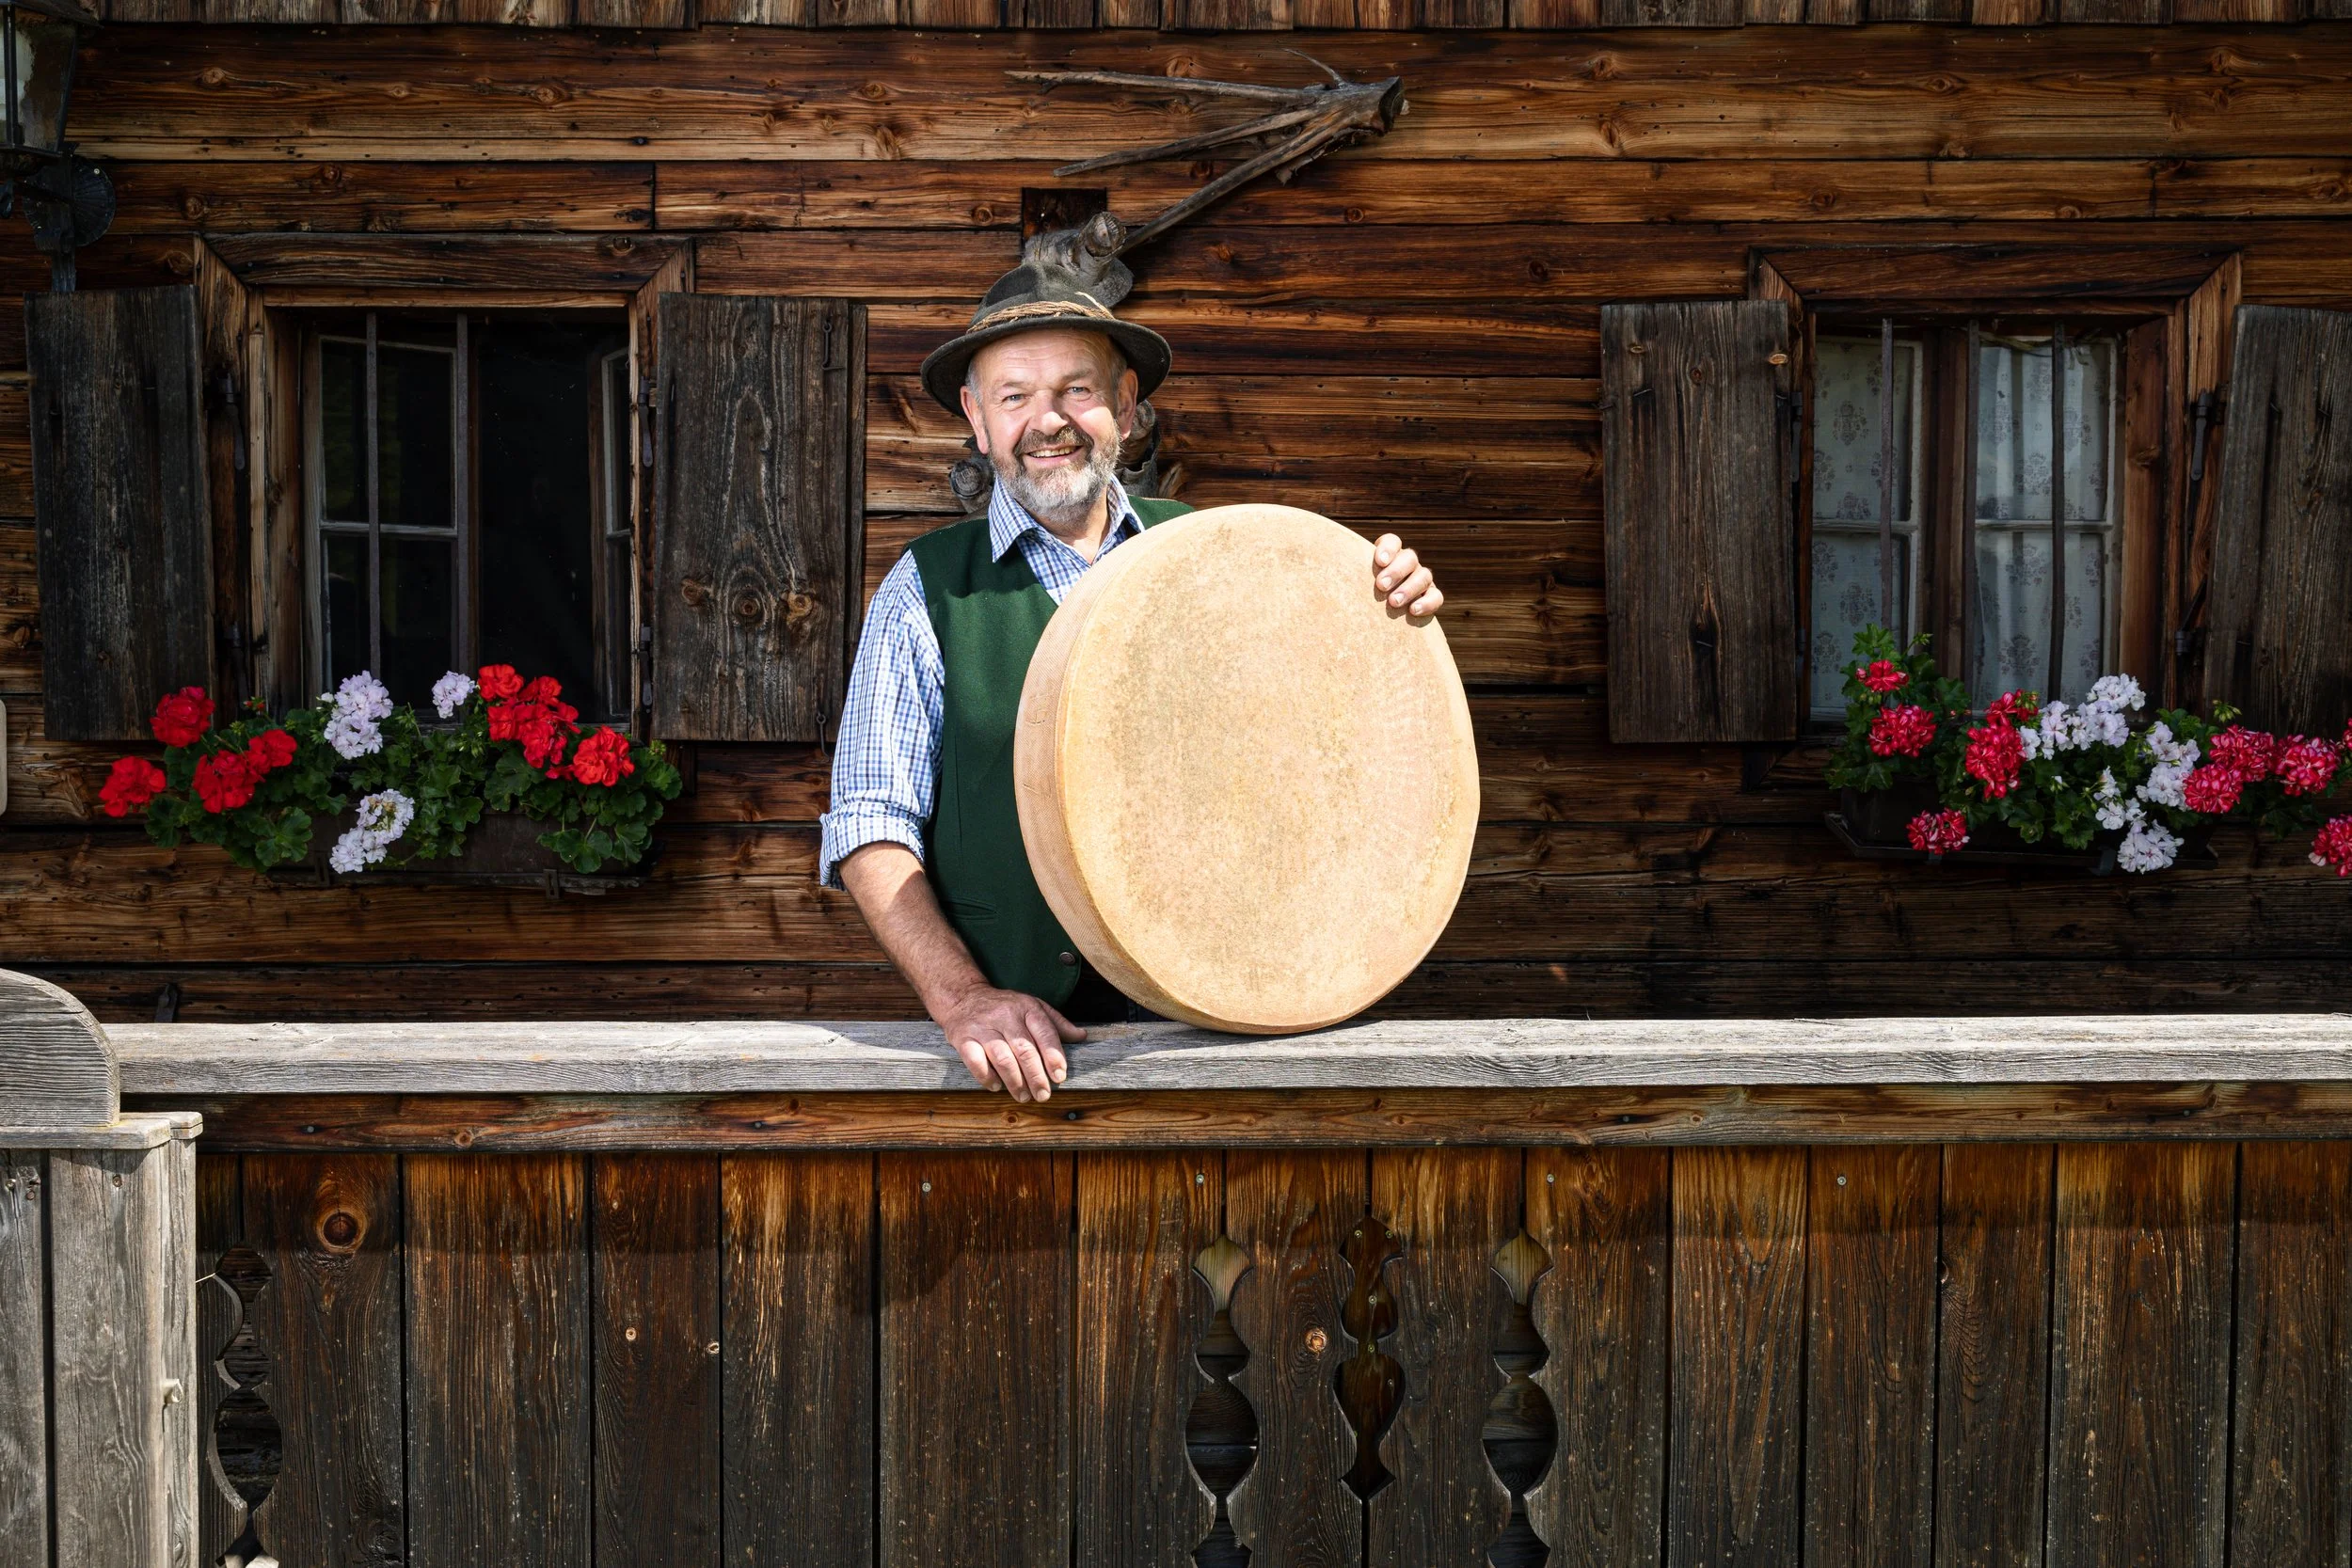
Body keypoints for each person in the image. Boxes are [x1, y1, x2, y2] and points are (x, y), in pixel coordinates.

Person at [819, 256, 1444, 1103]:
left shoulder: (1219, 554)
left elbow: (1335, 729)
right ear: (977, 418)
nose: (1050, 421)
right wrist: (963, 998)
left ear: (1124, 406)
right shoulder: (927, 590)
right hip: (1025, 1060)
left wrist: (1386, 606)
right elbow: (869, 826)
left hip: (1218, 1041)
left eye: (1078, 391)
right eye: (1015, 397)